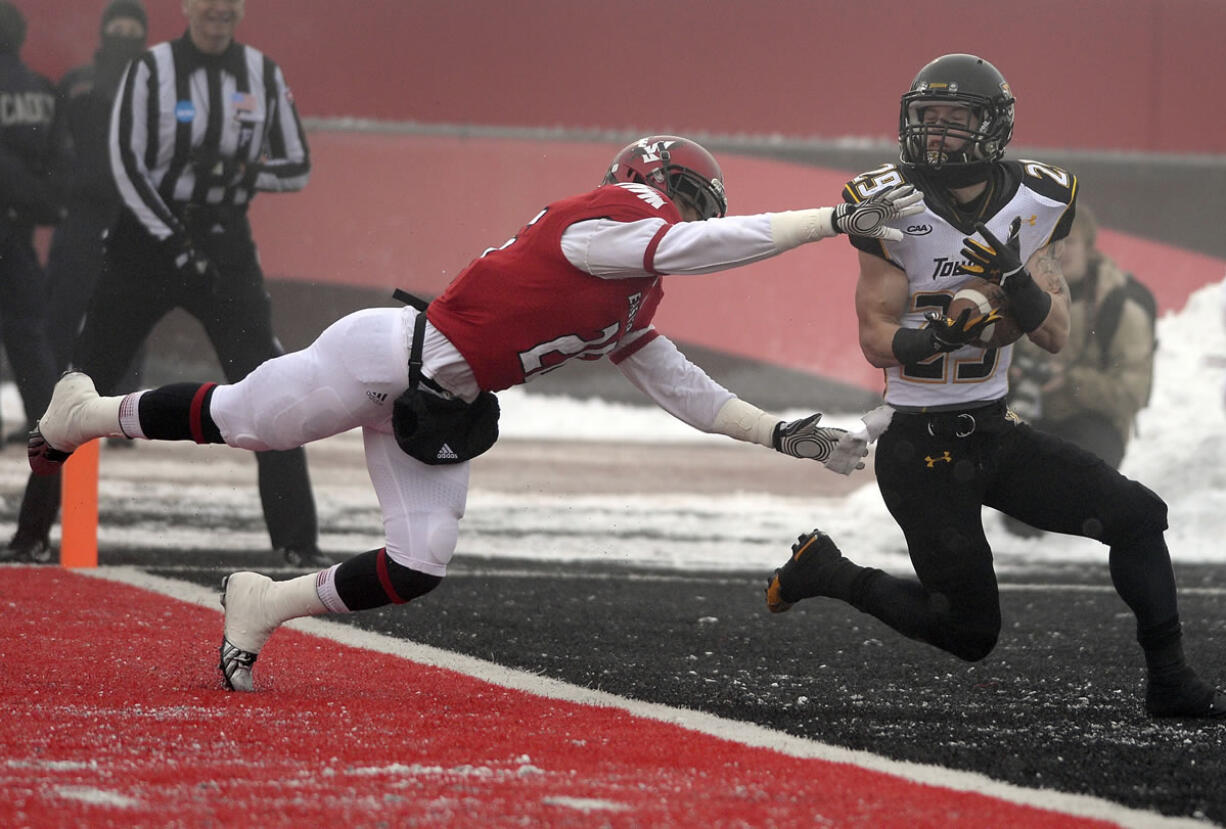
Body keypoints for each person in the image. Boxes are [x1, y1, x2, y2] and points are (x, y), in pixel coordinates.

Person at [27, 134, 924, 691]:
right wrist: (828, 220)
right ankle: (88, 409)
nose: (688, 217)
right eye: (687, 201)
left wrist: (777, 431)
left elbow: (678, 384)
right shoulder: (611, 217)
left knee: (418, 562)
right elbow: (690, 244)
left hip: (444, 405)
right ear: (652, 183)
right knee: (247, 420)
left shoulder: (632, 295)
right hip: (388, 352)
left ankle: (263, 604)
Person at [765, 54, 1223, 719]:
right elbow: (876, 336)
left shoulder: (1038, 203)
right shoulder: (885, 205)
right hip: (919, 449)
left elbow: (1056, 331)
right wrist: (944, 333)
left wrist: (1016, 281)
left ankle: (1171, 680)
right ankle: (828, 570)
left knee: (1138, 515)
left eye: (955, 122)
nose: (937, 135)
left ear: (993, 129)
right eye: (927, 120)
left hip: (993, 432)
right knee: (971, 633)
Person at [8, 0, 329, 568]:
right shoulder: (151, 69)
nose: (217, 11)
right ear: (186, 7)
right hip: (146, 246)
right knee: (82, 384)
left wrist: (243, 172)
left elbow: (298, 164)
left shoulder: (262, 73)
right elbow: (126, 166)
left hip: (224, 245)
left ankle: (297, 543)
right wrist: (175, 242)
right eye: (207, 2)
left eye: (229, 3)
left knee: (268, 387)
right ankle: (31, 533)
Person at [1003, 202, 1156, 537]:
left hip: (1094, 423)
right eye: (1051, 243)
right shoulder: (1023, 299)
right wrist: (1010, 375)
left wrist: (1070, 383)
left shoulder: (1120, 309)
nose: (1060, 251)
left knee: (1070, 487)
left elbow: (1134, 393)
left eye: (1069, 242)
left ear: (1089, 247)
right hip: (1031, 416)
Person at [45, 1, 151, 401]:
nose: (122, 39)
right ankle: (46, 403)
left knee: (129, 312)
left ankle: (123, 408)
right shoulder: (76, 83)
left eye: (131, 33)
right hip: (81, 215)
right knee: (60, 310)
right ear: (103, 33)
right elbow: (55, 143)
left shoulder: (152, 86)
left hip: (133, 216)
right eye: (116, 31)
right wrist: (67, 187)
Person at [0, 1, 67, 563]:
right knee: (44, 393)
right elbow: (57, 181)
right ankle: (35, 531)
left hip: (16, 240)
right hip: (18, 249)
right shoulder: (44, 91)